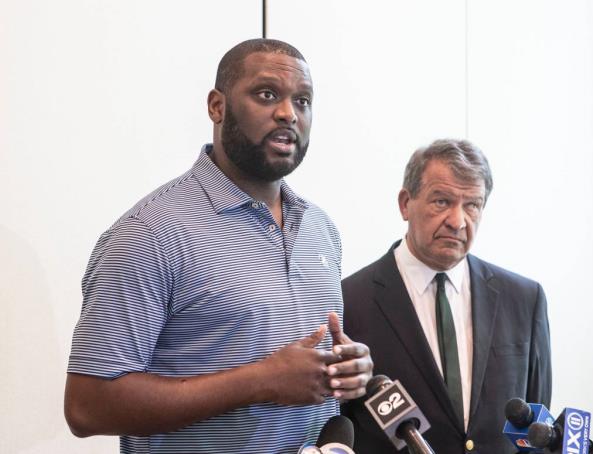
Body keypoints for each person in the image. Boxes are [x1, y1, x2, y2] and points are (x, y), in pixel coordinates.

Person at [64, 39, 372, 454]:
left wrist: (346, 371)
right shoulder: (150, 233)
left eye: (303, 101)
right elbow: (87, 406)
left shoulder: (321, 228)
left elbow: (297, 369)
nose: (288, 113)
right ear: (217, 106)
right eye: (267, 94)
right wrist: (260, 382)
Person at [341, 139, 551, 453]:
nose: (458, 221)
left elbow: (538, 433)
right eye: (442, 201)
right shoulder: (349, 301)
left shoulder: (524, 299)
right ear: (405, 203)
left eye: (472, 205)